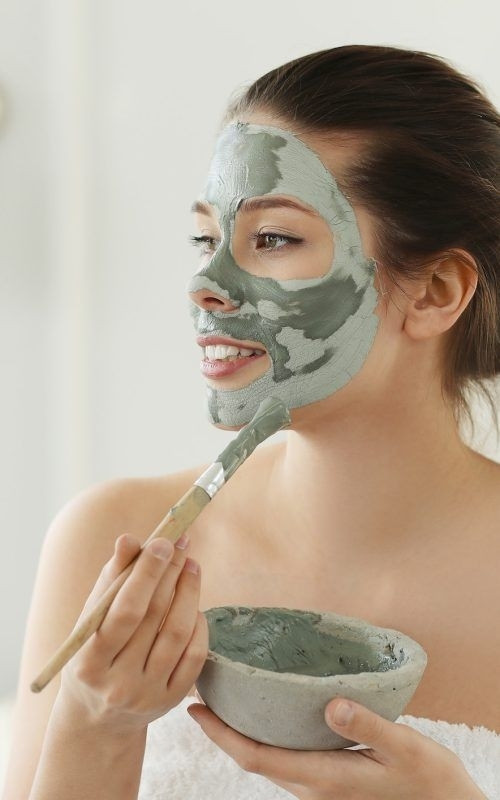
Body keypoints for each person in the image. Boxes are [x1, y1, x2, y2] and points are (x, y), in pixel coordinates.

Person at [3, 43, 500, 800]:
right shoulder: (114, 536)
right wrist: (95, 723)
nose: (204, 282)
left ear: (434, 290)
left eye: (272, 238)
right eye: (206, 239)